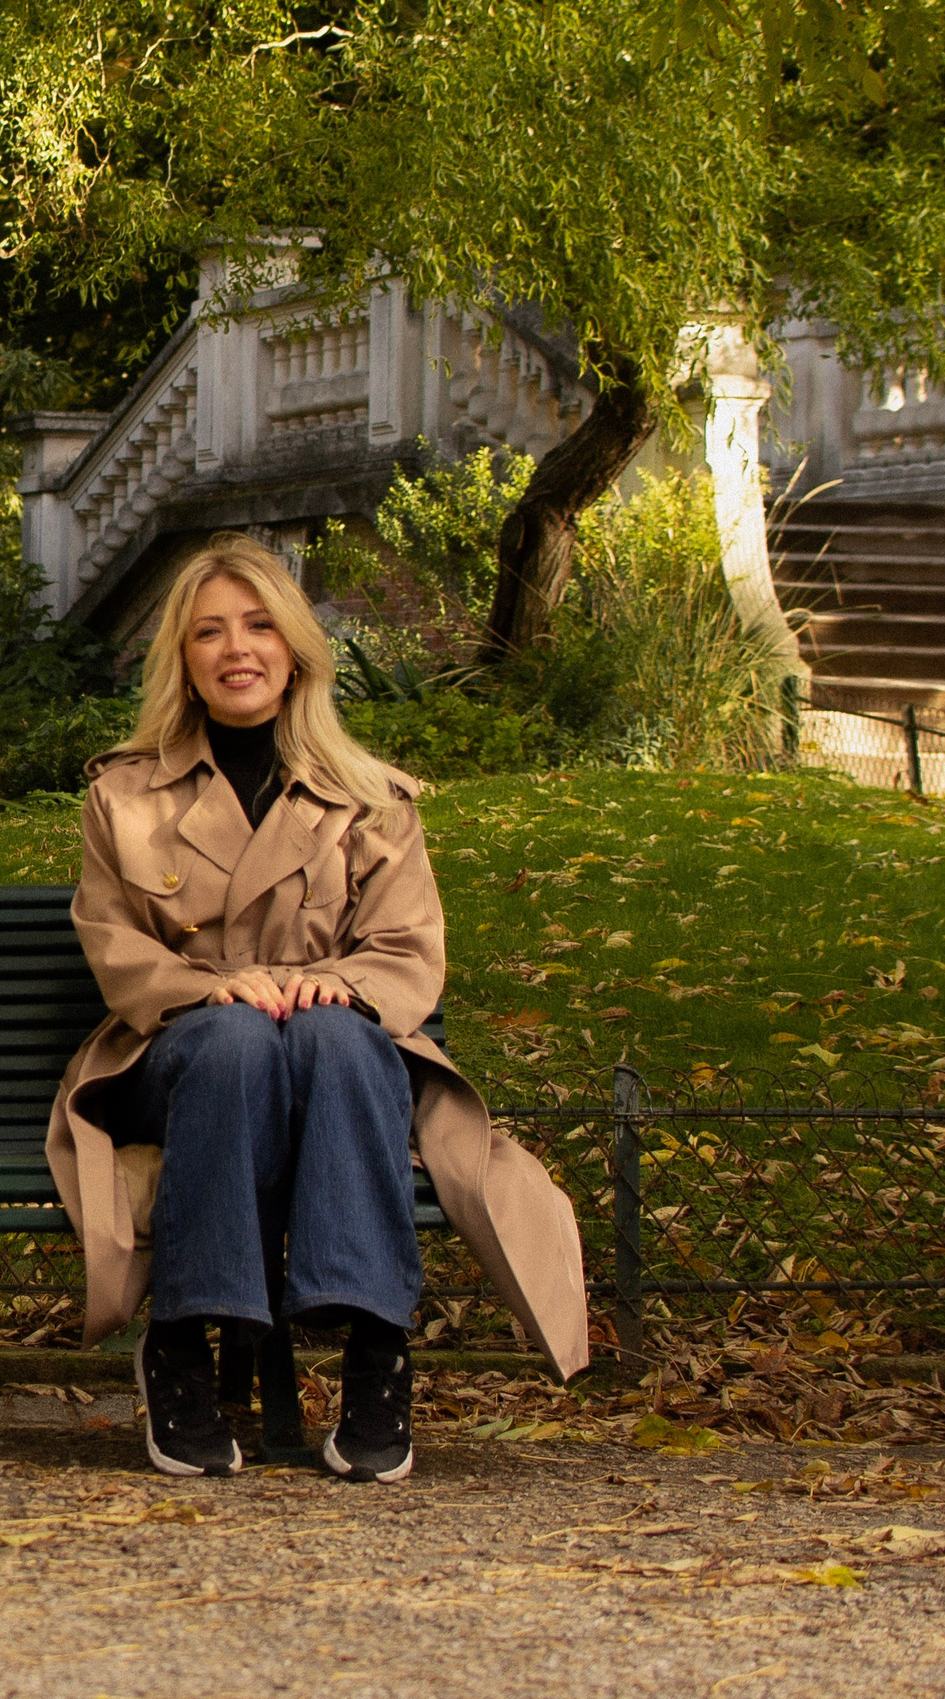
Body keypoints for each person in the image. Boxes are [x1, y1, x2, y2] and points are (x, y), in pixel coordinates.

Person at [45, 534, 586, 1486]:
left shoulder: (369, 798)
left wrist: (346, 982)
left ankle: (379, 1355)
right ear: (184, 657)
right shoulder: (123, 795)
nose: (236, 648)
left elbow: (408, 945)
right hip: (177, 1056)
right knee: (236, 1042)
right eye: (209, 632)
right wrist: (210, 987)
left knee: (336, 1035)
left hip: (335, 1057)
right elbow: (114, 940)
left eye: (258, 625)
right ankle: (181, 1343)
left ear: (295, 648)